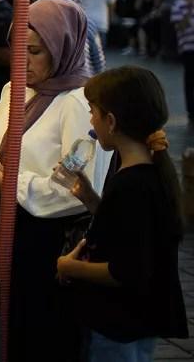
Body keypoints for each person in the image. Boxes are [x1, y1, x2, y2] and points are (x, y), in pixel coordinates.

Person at [0, 0, 112, 362]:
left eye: (35, 51)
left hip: (48, 244)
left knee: (41, 336)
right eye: (17, 49)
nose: (21, 60)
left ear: (63, 47)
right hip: (2, 229)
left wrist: (8, 183)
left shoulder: (79, 104)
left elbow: (77, 190)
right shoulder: (15, 90)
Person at [56, 67, 187, 361]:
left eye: (93, 112)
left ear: (111, 121)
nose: (90, 120)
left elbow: (126, 270)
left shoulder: (131, 184)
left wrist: (68, 266)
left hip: (118, 324)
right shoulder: (148, 172)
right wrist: (92, 200)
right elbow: (131, 232)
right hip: (138, 321)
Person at [171, 0, 194, 125]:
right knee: (190, 79)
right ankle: (191, 110)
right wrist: (189, 10)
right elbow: (180, 27)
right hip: (188, 48)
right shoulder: (179, 5)